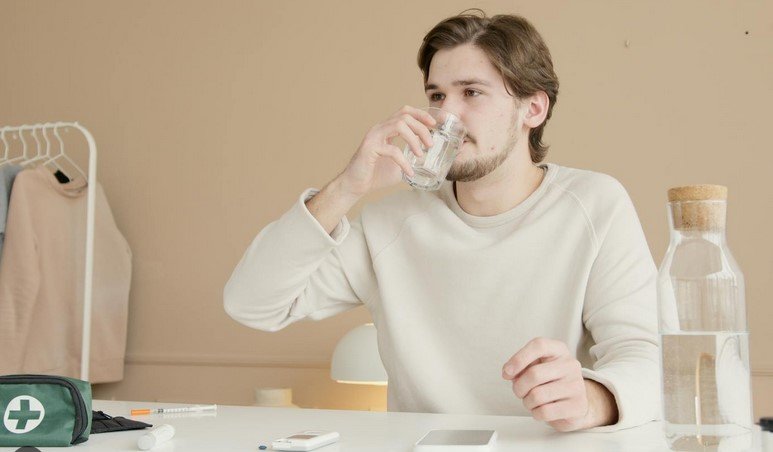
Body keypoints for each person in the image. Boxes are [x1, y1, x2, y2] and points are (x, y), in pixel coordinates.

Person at [224, 10, 659, 432]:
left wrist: (590, 400)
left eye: (471, 93)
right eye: (436, 95)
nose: (444, 117)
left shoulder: (594, 205)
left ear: (533, 109)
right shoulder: (389, 222)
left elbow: (647, 356)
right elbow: (251, 303)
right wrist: (346, 189)